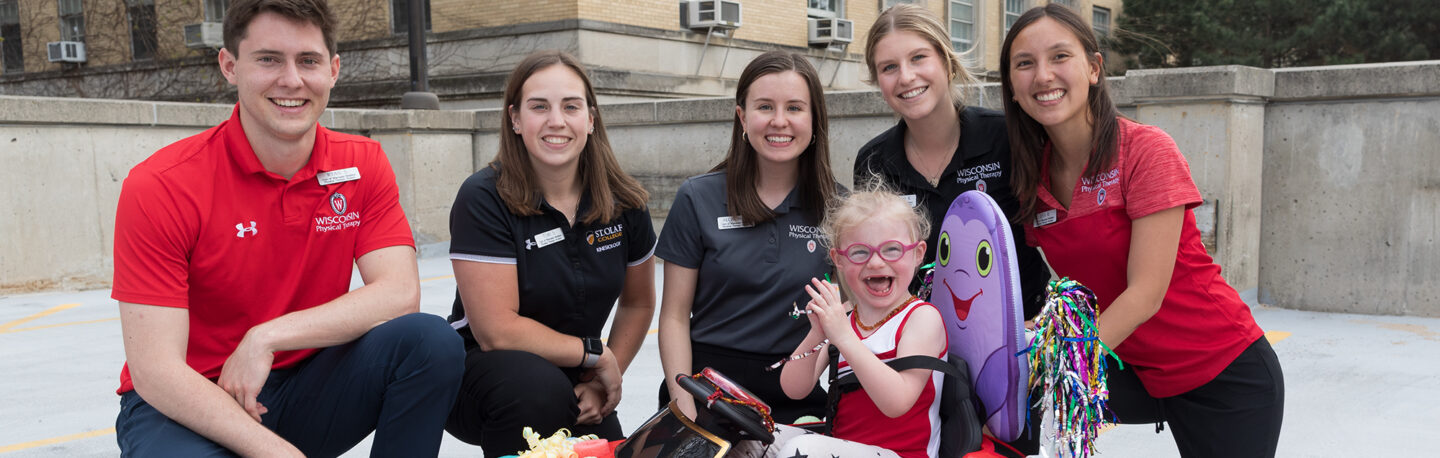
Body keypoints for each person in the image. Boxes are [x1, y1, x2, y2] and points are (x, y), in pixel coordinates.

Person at [110, 0, 464, 456]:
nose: (292, 80)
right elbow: (155, 370)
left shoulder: (362, 163)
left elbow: (398, 294)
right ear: (229, 66)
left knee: (429, 341)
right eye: (269, 59)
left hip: (306, 387)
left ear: (333, 70)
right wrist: (275, 451)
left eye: (309, 61)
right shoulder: (163, 184)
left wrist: (267, 337)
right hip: (186, 404)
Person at [999, 5, 1285, 457]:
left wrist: (1057, 360)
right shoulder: (1028, 179)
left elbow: (1145, 294)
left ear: (1093, 68)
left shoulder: (1145, 150)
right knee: (1003, 397)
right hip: (1137, 371)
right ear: (1012, 87)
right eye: (1025, 63)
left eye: (1059, 57)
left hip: (1222, 371)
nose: (1043, 76)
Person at [853, 5, 1048, 453]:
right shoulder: (874, 161)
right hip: (921, 356)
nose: (906, 77)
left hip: (1010, 350)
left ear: (945, 60)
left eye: (918, 58)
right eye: (888, 67)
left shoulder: (1008, 136)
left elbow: (1050, 236)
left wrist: (1037, 327)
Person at [444, 50, 656, 456]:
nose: (556, 121)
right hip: (484, 372)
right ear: (516, 119)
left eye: (571, 106)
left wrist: (601, 381)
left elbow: (639, 303)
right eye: (539, 107)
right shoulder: (483, 198)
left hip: (578, 372)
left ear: (590, 119)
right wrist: (596, 355)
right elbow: (496, 331)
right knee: (538, 391)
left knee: (613, 447)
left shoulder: (625, 202)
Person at [656, 51, 840, 423]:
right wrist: (684, 404)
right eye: (764, 107)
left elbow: (851, 313)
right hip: (706, 388)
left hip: (797, 388)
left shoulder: (839, 209)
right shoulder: (697, 197)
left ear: (815, 118)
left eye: (794, 108)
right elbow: (674, 317)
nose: (779, 121)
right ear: (742, 116)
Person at [763, 187, 946, 458]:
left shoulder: (922, 318)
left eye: (892, 250)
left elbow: (897, 402)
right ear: (839, 260)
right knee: (752, 434)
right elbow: (794, 389)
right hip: (841, 448)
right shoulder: (847, 317)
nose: (875, 262)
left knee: (800, 451)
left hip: (903, 453)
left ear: (918, 254)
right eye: (860, 252)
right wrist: (817, 333)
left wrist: (844, 338)